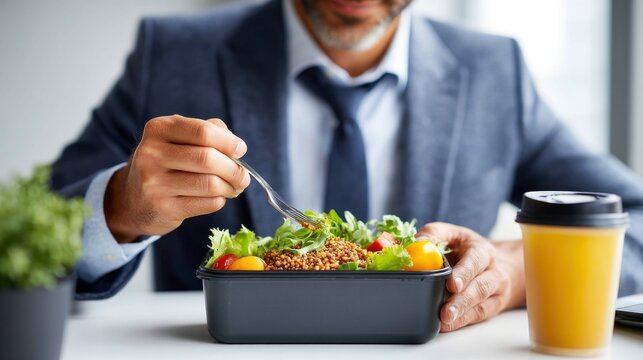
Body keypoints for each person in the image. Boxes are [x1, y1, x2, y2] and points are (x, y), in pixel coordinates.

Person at [51, 0, 643, 333]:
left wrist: (520, 270)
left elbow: (632, 222)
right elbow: (29, 231)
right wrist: (120, 208)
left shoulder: (495, 71)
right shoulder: (174, 52)